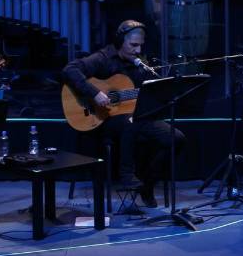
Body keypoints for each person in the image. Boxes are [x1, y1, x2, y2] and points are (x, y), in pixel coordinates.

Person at [62, 20, 185, 207]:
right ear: (120, 41)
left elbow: (146, 94)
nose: (138, 50)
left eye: (141, 45)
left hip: (134, 117)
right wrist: (94, 93)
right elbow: (70, 70)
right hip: (101, 119)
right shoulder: (103, 57)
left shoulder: (141, 64)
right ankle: (126, 175)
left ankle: (147, 185)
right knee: (131, 121)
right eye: (133, 45)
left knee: (176, 138)